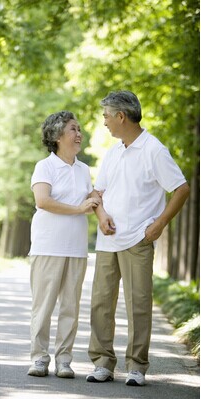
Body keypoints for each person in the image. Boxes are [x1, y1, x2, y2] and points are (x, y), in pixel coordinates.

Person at [86, 90, 190, 386]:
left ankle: (136, 366)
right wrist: (101, 214)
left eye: (106, 115)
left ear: (122, 116)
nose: (104, 121)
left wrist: (159, 225)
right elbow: (98, 193)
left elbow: (181, 188)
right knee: (101, 303)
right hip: (108, 239)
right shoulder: (113, 151)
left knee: (139, 303)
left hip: (138, 239)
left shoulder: (154, 149)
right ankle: (103, 363)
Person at [27, 111, 100, 379]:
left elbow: (91, 202)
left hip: (77, 249)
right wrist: (80, 208)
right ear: (58, 136)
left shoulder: (83, 170)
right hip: (48, 247)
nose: (79, 134)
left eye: (79, 129)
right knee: (43, 306)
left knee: (70, 307)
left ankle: (64, 360)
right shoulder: (44, 167)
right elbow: (43, 201)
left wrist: (93, 204)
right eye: (73, 129)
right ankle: (39, 358)